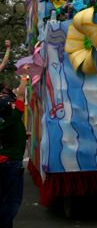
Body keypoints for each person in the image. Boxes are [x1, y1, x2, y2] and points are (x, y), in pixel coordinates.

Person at [0, 64, 29, 227]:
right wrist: (24, 75)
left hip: (4, 161)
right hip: (12, 163)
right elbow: (21, 94)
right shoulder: (14, 117)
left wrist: (23, 135)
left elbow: (9, 137)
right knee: (12, 198)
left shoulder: (5, 123)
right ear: (10, 108)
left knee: (3, 196)